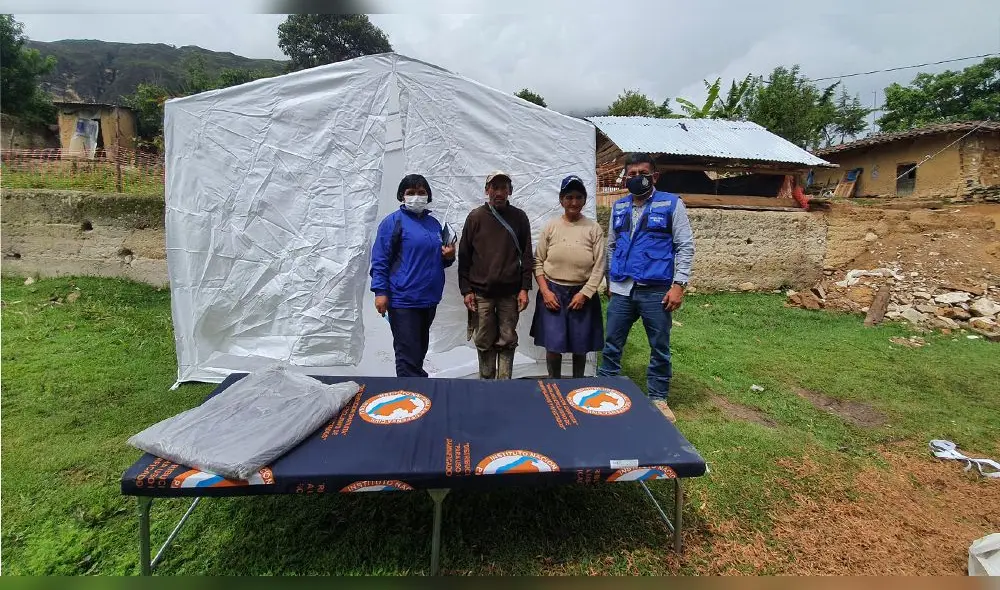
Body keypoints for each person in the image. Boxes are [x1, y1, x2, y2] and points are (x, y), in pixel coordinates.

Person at [597, 153, 695, 423]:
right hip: (622, 288)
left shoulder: (671, 204)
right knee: (613, 343)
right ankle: (607, 390)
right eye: (631, 174)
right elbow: (613, 245)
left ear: (655, 176)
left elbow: (685, 246)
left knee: (659, 345)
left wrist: (679, 285)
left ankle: (658, 397)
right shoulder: (619, 207)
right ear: (625, 177)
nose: (636, 177)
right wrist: (609, 279)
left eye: (642, 172)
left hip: (656, 288)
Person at [369, 174, 456, 377]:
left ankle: (417, 394)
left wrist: (449, 257)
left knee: (418, 352)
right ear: (402, 196)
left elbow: (438, 261)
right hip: (403, 300)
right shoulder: (393, 223)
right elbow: (380, 259)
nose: (416, 197)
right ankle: (410, 396)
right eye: (411, 193)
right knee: (407, 356)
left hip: (429, 299)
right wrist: (380, 292)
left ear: (428, 196)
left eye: (421, 192)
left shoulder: (434, 224)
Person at [458, 171, 533, 380]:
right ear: (487, 190)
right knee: (483, 339)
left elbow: (527, 255)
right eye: (494, 187)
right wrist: (466, 290)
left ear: (510, 191)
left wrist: (524, 288)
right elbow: (464, 256)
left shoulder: (519, 217)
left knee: (508, 339)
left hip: (510, 293)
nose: (499, 192)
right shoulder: (475, 217)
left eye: (503, 187)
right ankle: (486, 384)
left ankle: (504, 385)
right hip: (481, 292)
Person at [529, 175, 606, 379]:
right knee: (553, 345)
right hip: (553, 292)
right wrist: (545, 292)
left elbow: (599, 266)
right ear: (561, 200)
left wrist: (585, 294)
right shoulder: (551, 227)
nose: (573, 202)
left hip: (582, 293)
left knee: (580, 346)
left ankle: (578, 385)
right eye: (569, 197)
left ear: (585, 199)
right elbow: (537, 262)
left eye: (578, 197)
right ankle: (554, 385)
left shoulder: (593, 229)